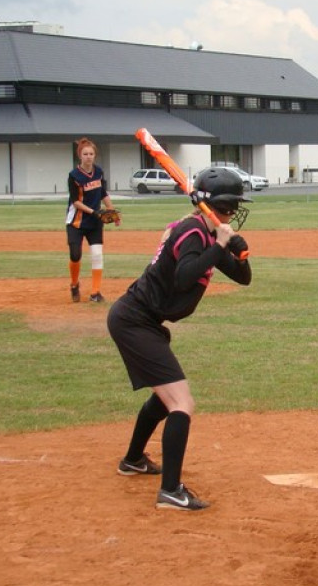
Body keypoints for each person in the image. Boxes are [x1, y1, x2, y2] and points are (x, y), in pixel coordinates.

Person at [108, 168, 252, 510]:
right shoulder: (192, 231)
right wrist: (219, 244)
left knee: (163, 398)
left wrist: (237, 249)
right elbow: (186, 276)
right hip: (134, 321)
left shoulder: (207, 233)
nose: (233, 213)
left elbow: (244, 277)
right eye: (230, 207)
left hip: (145, 322)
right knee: (181, 404)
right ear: (214, 205)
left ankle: (133, 460)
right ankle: (171, 491)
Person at [66, 137, 120, 303]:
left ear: (94, 155)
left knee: (97, 255)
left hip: (95, 222)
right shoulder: (74, 176)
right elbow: (76, 202)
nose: (88, 156)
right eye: (85, 154)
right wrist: (94, 212)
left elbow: (103, 193)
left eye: (91, 153)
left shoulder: (98, 172)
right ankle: (74, 284)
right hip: (77, 221)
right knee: (75, 255)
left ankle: (95, 292)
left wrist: (112, 212)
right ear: (80, 156)